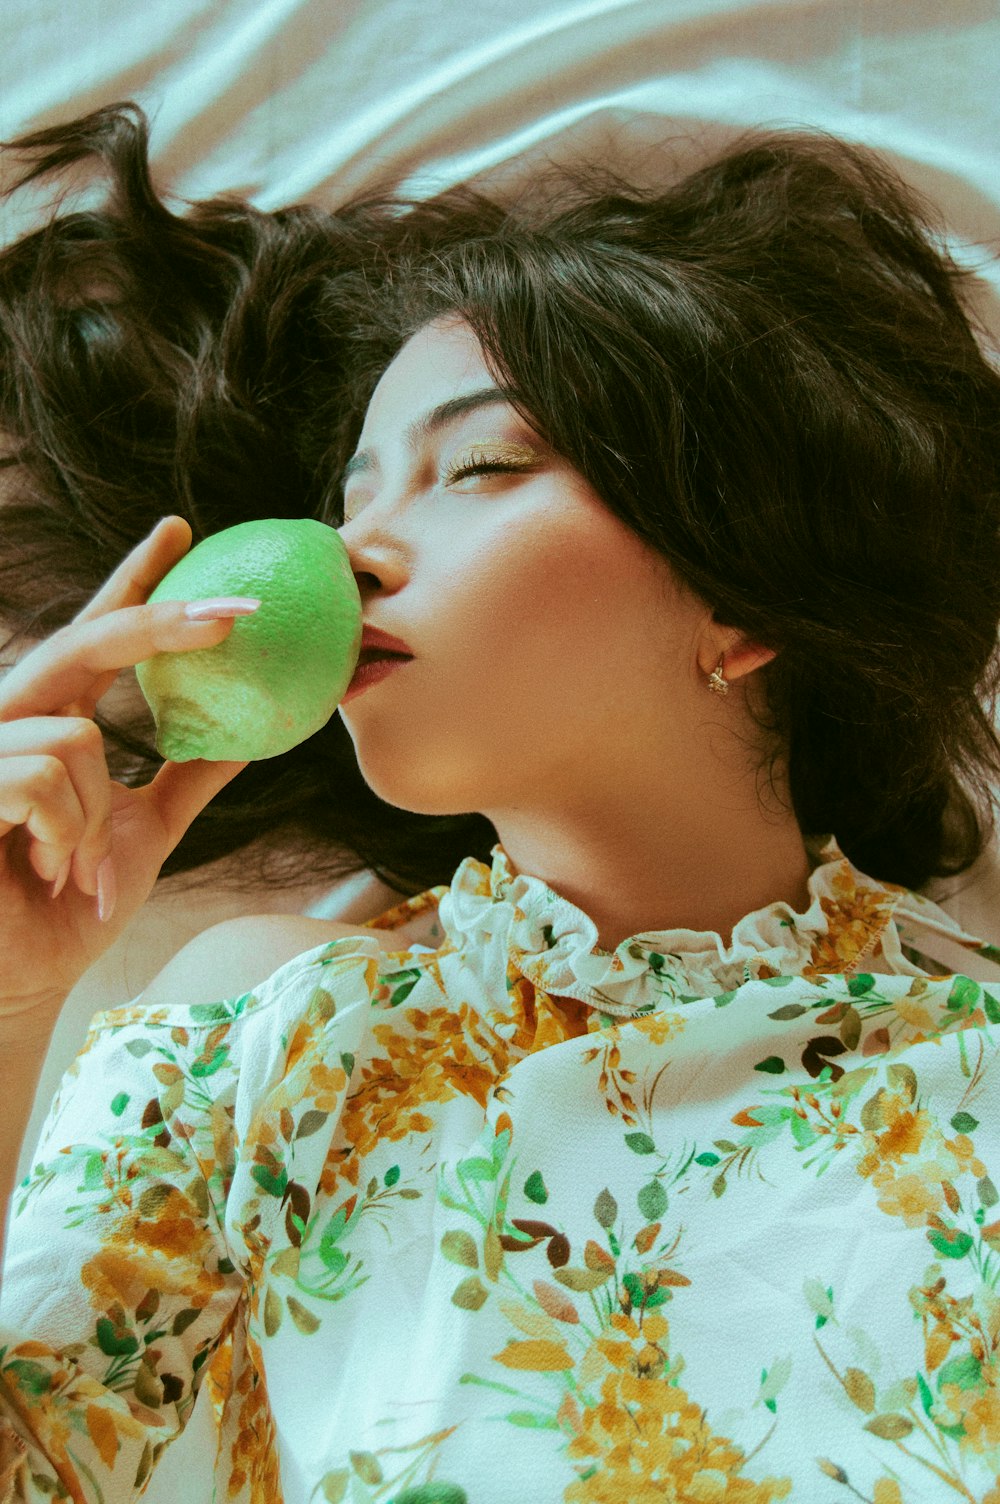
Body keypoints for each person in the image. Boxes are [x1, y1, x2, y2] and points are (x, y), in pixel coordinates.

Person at [1, 102, 1000, 1504]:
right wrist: (9, 994)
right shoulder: (268, 1027)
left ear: (746, 596)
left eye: (480, 465)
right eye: (350, 494)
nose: (349, 554)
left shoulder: (976, 1075)